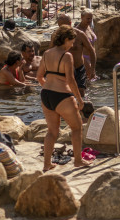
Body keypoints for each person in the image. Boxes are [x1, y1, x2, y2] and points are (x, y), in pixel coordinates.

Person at [36, 25, 89, 171]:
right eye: (71, 41)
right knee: (77, 128)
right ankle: (78, 161)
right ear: (66, 39)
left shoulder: (46, 53)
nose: (72, 45)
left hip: (46, 94)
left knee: (52, 132)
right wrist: (79, 99)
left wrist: (49, 87)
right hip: (62, 96)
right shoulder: (67, 56)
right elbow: (71, 80)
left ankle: (47, 164)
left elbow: (39, 76)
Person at [56, 14, 96, 98]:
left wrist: (92, 69)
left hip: (79, 68)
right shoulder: (56, 36)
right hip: (64, 69)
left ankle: (82, 108)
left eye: (63, 26)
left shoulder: (80, 34)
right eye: (60, 26)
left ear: (70, 23)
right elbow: (51, 52)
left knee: (81, 92)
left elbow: (92, 51)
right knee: (66, 94)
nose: (61, 28)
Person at [75, 9, 97, 81]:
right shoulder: (78, 31)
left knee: (91, 79)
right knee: (90, 79)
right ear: (82, 17)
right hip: (84, 58)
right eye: (88, 18)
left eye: (91, 18)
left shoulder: (88, 27)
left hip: (92, 57)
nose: (90, 20)